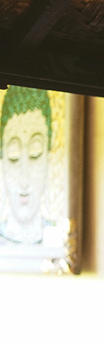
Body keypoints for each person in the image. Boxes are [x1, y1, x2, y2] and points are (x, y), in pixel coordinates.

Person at [0, 86, 58, 247]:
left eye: (35, 154)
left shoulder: (59, 238)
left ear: (49, 156)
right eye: (13, 156)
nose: (24, 181)